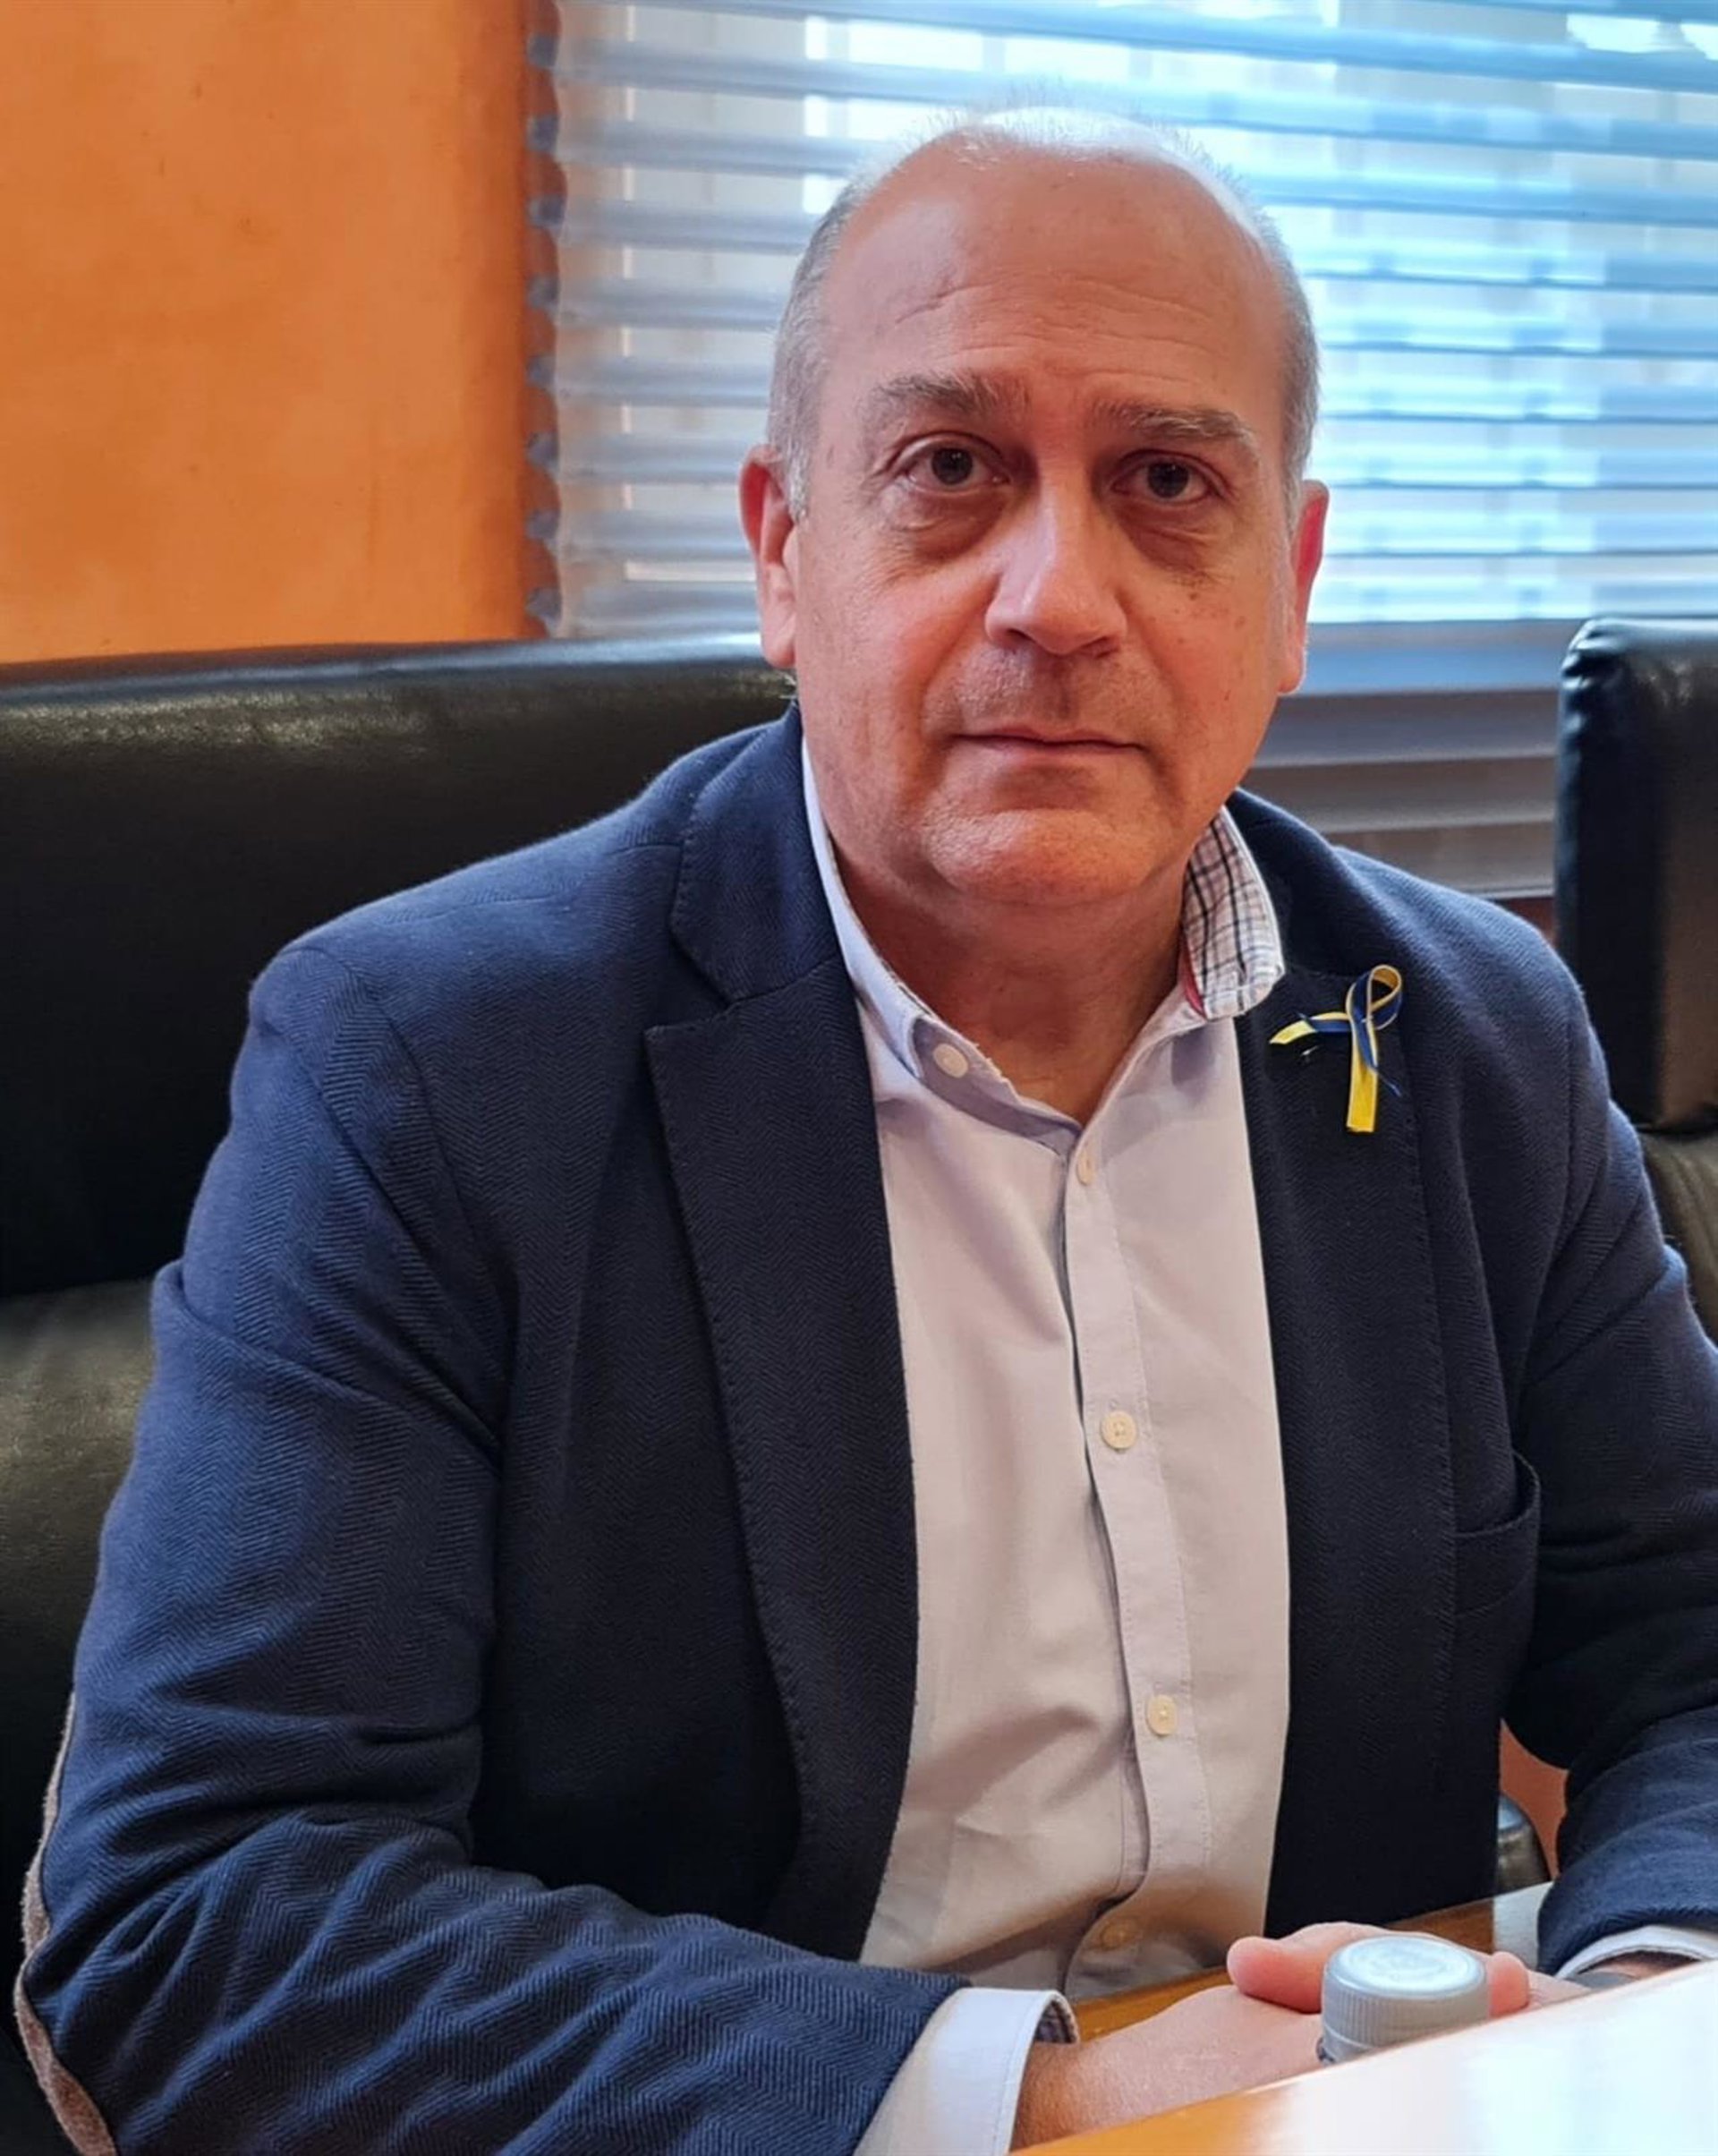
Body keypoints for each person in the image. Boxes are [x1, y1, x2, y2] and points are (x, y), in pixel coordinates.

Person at [17, 112, 1718, 2156]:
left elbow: (1694, 1655)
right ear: (783, 550)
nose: (1058, 598)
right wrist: (1037, 2097)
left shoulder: (1467, 1036)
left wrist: (1641, 2012)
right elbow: (199, 1908)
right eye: (950, 469)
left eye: (1168, 484)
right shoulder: (427, 1067)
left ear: (1290, 585)